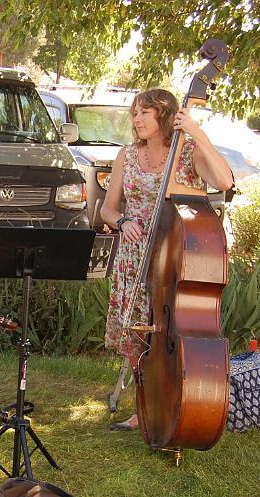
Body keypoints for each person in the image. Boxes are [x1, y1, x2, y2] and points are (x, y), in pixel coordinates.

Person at [101, 88, 233, 431]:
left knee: (167, 329)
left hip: (174, 254)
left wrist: (197, 132)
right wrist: (123, 221)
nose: (138, 119)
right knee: (137, 332)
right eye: (135, 113)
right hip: (135, 255)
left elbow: (223, 180)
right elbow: (109, 208)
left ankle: (174, 398)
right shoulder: (127, 156)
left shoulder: (186, 152)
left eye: (145, 112)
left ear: (164, 115)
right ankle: (143, 405)